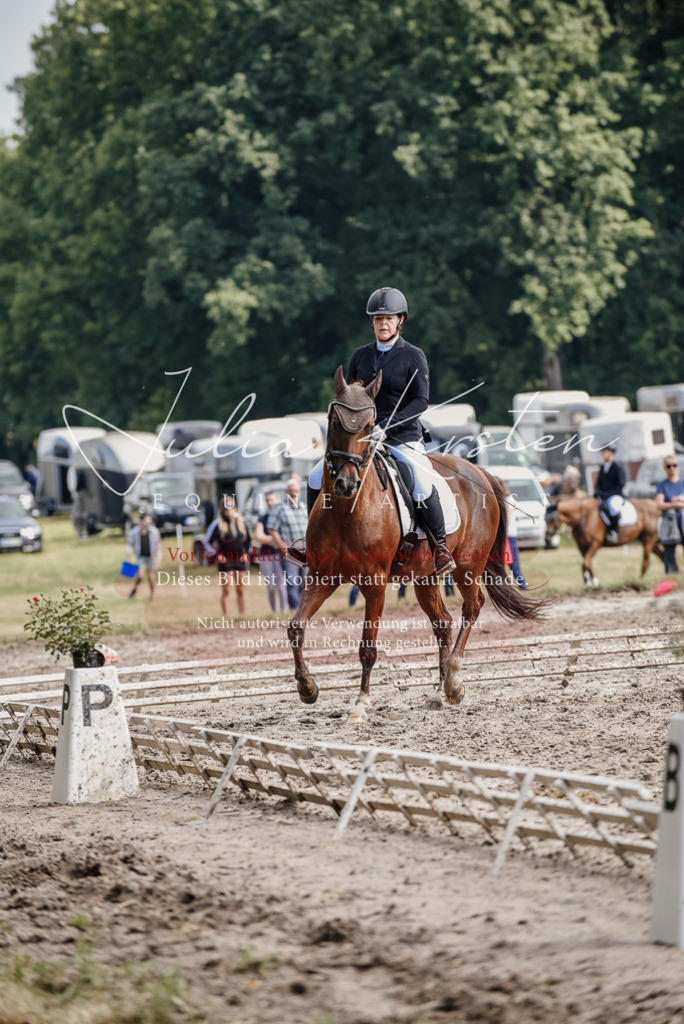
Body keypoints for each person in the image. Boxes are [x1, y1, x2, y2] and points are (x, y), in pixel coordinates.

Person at [288, 287, 456, 577]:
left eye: (389, 318)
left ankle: (439, 547)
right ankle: (311, 541)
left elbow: (421, 401)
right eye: (378, 319)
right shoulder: (360, 356)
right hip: (360, 440)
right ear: (372, 323)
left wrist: (387, 425)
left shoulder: (414, 356)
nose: (383, 324)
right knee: (317, 476)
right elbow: (352, 396)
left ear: (400, 320)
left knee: (421, 482)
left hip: (401, 437)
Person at [206, 497, 251, 615]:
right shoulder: (217, 524)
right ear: (222, 510)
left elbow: (249, 541)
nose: (229, 510)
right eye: (227, 508)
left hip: (239, 559)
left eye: (232, 507)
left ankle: (243, 614)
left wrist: (246, 554)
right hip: (226, 560)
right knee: (226, 590)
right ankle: (226, 616)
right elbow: (207, 542)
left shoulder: (242, 523)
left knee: (240, 589)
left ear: (235, 508)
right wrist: (216, 555)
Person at [268, 479, 308, 609]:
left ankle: (304, 609)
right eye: (290, 491)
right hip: (290, 551)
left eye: (296, 490)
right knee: (292, 582)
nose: (293, 493)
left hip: (305, 551)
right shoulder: (279, 508)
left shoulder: (303, 507)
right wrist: (282, 546)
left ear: (299, 492)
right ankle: (295, 609)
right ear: (286, 492)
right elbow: (272, 528)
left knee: (305, 582)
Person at [254, 490, 288, 613]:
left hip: (280, 555)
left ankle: (284, 611)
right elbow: (259, 536)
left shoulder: (283, 516)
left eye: (271, 499)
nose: (269, 502)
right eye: (267, 500)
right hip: (266, 555)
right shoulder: (263, 518)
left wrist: (271, 539)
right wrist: (276, 539)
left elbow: (286, 536)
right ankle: (274, 612)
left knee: (282, 585)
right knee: (271, 586)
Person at [655, 456, 684, 574]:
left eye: (674, 465)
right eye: (669, 466)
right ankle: (671, 576)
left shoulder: (682, 482)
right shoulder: (662, 484)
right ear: (664, 467)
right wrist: (675, 504)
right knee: (669, 551)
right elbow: (659, 504)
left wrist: (679, 499)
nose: (672, 468)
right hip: (670, 521)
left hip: (683, 518)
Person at [594, 444, 626, 544]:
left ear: (611, 453)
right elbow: (598, 483)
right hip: (603, 495)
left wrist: (607, 494)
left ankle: (614, 531)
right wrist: (598, 492)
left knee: (613, 506)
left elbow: (620, 484)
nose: (603, 455)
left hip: (614, 495)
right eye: (603, 452)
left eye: (605, 452)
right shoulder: (603, 467)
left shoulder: (617, 467)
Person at [127, 513, 162, 600]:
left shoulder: (154, 532)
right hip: (140, 556)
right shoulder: (135, 532)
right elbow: (130, 544)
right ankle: (134, 588)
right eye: (146, 520)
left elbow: (158, 547)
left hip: (151, 556)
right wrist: (129, 549)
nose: (148, 522)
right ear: (142, 521)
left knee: (151, 576)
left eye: (149, 520)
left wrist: (158, 559)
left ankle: (152, 595)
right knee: (140, 576)